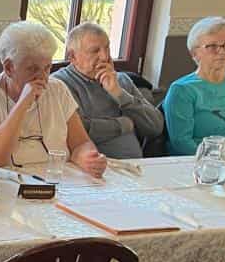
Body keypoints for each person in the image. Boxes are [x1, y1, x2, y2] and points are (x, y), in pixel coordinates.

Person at [0, 21, 108, 177]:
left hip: (51, 180)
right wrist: (23, 103)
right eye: (32, 69)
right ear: (9, 67)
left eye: (47, 68)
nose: (42, 77)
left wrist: (87, 158)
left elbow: (80, 143)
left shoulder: (58, 89)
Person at [54, 22, 164, 159]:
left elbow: (156, 127)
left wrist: (119, 94)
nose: (104, 56)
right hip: (91, 166)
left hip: (136, 165)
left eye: (107, 48)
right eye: (95, 51)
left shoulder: (121, 80)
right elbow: (78, 131)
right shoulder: (60, 84)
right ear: (72, 57)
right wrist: (124, 124)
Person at [163, 17, 225, 155]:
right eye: (212, 46)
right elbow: (181, 142)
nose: (222, 52)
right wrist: (217, 162)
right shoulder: (182, 90)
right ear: (194, 53)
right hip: (200, 161)